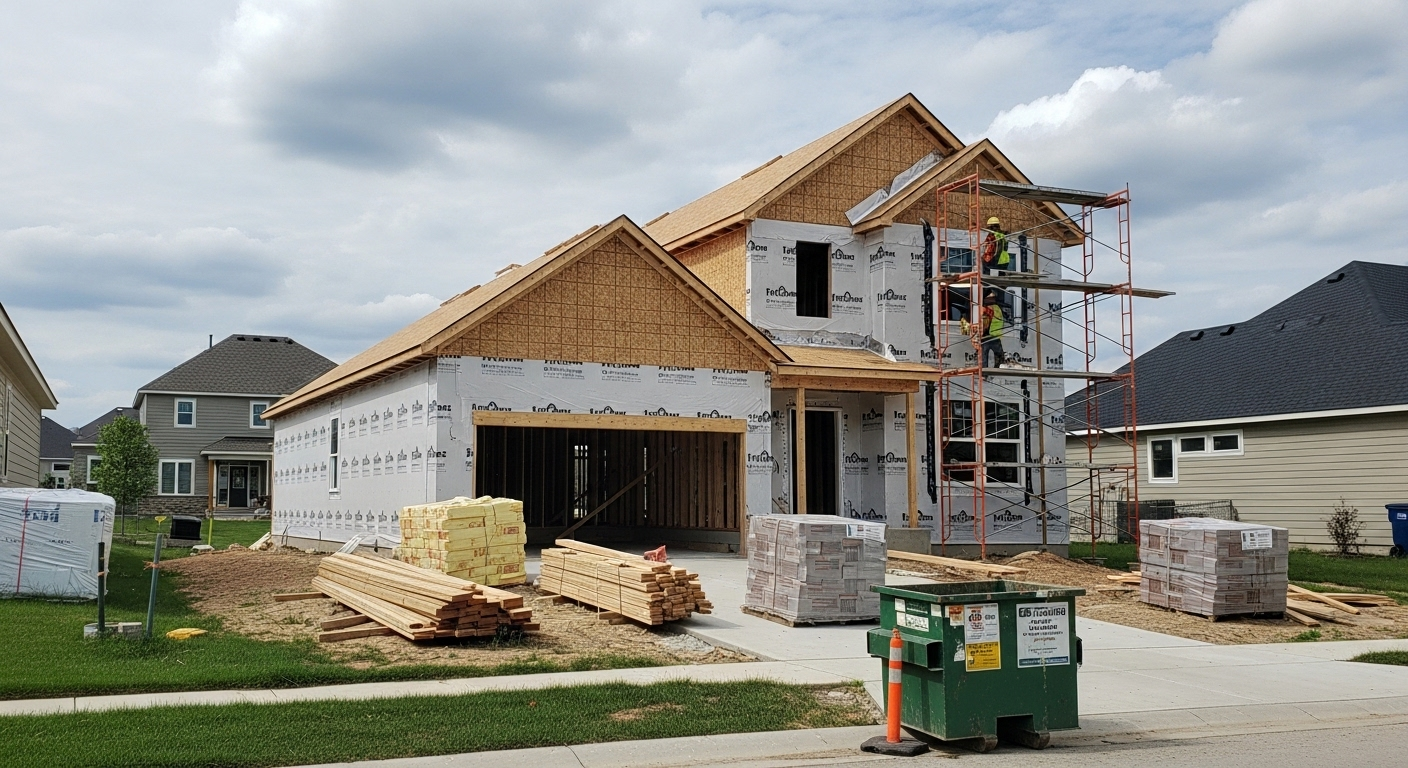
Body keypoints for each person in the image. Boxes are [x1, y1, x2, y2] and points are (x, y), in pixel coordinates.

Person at [980, 289, 1005, 368]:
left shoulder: (988, 308)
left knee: (983, 358)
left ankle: (985, 374)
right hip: (995, 336)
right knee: (999, 357)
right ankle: (997, 371)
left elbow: (984, 322)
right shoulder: (997, 308)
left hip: (987, 336)